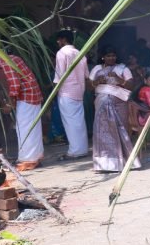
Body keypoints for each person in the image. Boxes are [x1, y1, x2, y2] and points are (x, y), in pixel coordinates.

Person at [0, 49, 44, 171]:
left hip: (27, 97)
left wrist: (10, 104)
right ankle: (35, 158)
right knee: (32, 128)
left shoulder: (4, 61)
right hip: (32, 96)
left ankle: (28, 160)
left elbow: (15, 85)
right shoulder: (12, 57)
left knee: (25, 129)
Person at [89, 48, 141, 173]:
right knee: (103, 132)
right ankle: (105, 165)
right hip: (101, 102)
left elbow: (131, 85)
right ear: (103, 57)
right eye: (108, 56)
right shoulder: (97, 69)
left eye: (113, 55)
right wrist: (97, 82)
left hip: (119, 104)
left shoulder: (122, 69)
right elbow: (88, 86)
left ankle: (125, 162)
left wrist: (119, 80)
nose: (111, 58)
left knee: (120, 130)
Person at [53, 29, 89, 161]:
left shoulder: (62, 53)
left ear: (63, 39)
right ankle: (82, 149)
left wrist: (54, 90)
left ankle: (75, 151)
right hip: (79, 91)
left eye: (59, 39)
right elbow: (86, 75)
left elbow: (59, 75)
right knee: (78, 122)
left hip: (66, 92)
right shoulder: (80, 53)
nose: (58, 42)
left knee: (70, 123)